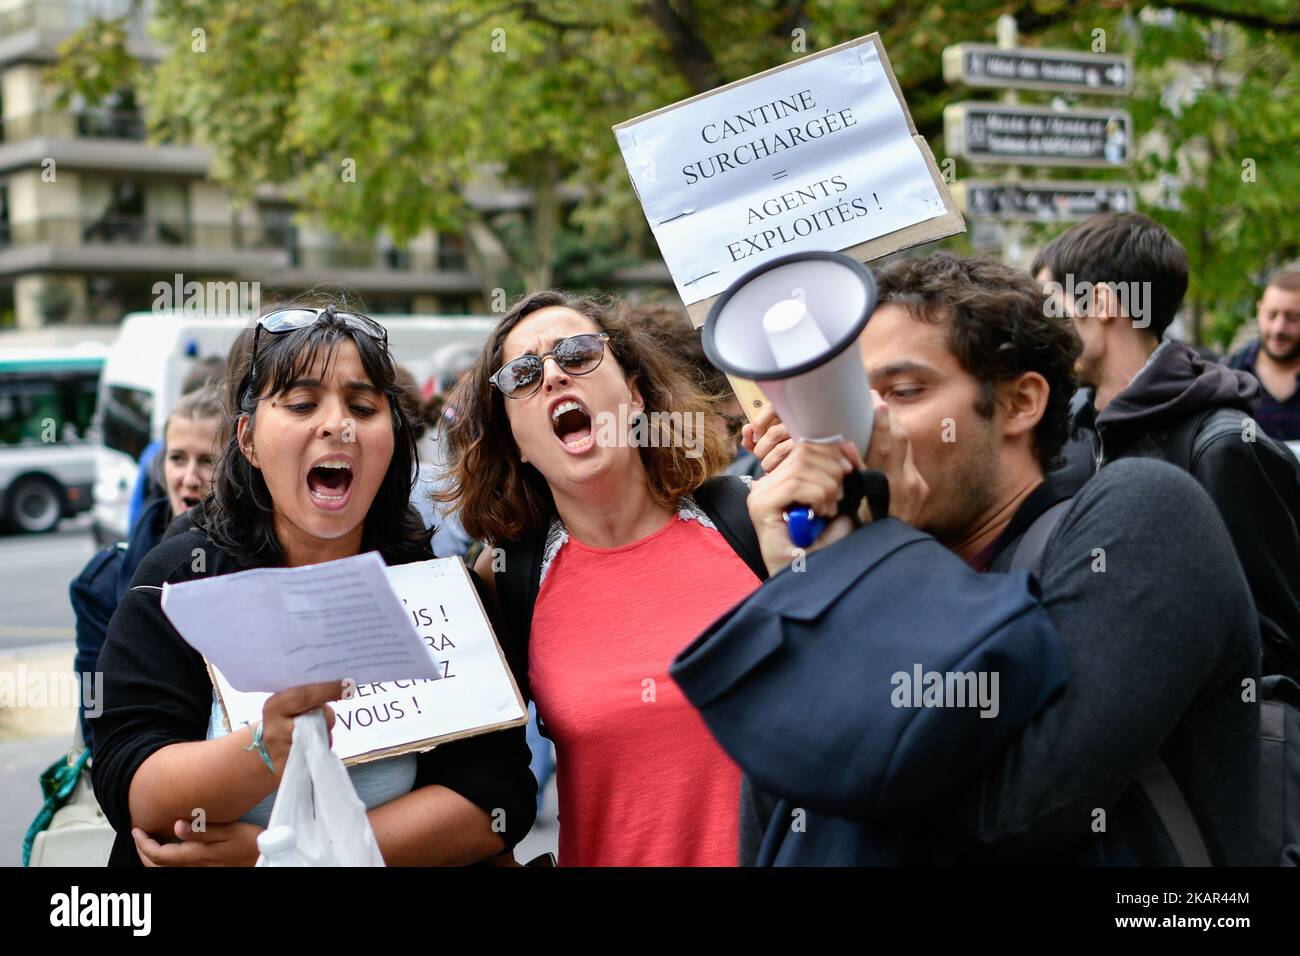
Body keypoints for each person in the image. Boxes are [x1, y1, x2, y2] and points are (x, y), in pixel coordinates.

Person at [672, 252, 1262, 865]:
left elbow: (1017, 807)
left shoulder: (1145, 514)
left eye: (903, 391)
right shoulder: (855, 564)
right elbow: (779, 823)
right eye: (853, 393)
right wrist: (804, 583)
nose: (868, 423)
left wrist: (866, 559)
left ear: (1019, 403)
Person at [90, 302, 536, 867]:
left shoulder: (434, 586)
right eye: (301, 404)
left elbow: (496, 800)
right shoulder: (180, 577)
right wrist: (267, 746)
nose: (338, 425)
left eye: (363, 406)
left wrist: (296, 856)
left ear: (392, 440)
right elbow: (131, 788)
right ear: (248, 440)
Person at [436, 290, 767, 866]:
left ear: (635, 395)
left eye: (578, 353)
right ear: (514, 440)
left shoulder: (759, 520)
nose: (554, 376)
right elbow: (480, 784)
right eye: (523, 374)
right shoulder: (505, 578)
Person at [1035, 214, 1300, 680]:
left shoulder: (1222, 447)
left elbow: (1272, 642)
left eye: (1052, 307)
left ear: (1100, 303)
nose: (1044, 328)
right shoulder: (1071, 432)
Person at [71, 385, 224, 750]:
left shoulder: (260, 564)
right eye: (177, 458)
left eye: (207, 461)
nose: (189, 477)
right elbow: (95, 712)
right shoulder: (104, 581)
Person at [1228, 268, 1300, 442]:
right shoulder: (1230, 377)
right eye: (1271, 315)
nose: (1279, 328)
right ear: (1259, 311)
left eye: (1292, 318)